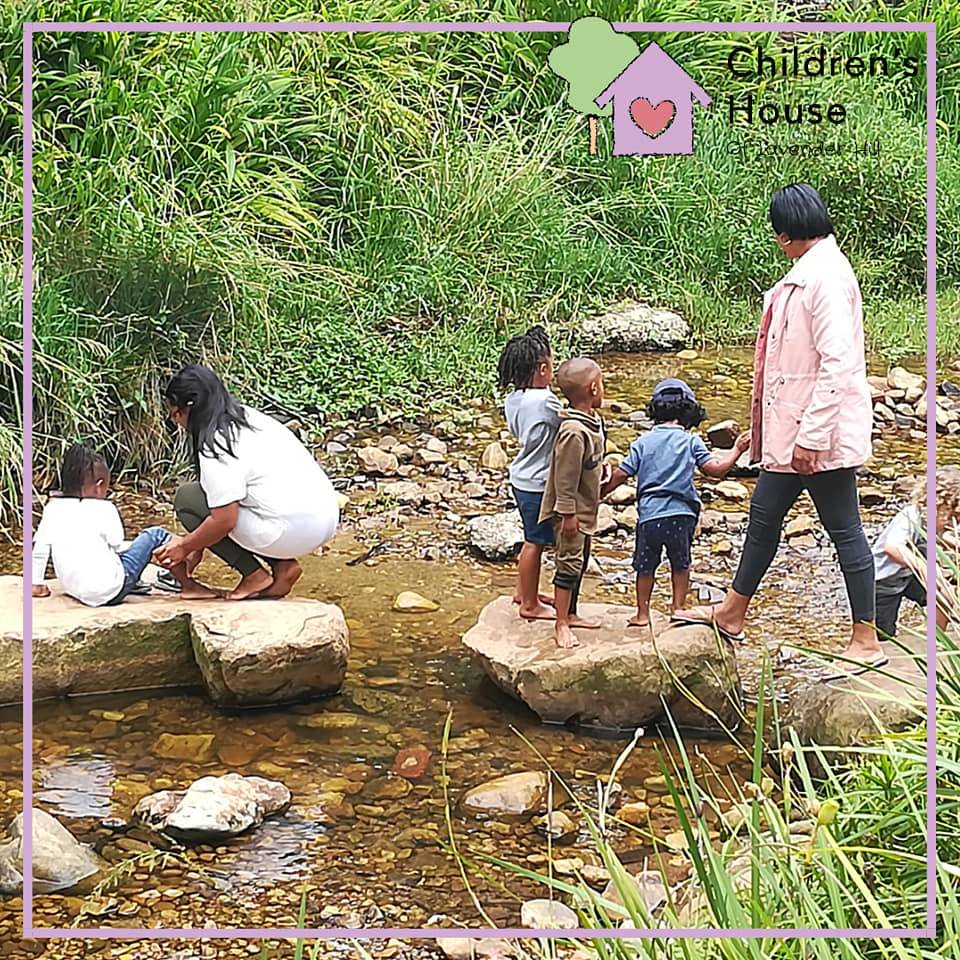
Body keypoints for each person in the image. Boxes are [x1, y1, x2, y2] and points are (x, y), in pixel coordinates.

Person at [673, 183, 880, 672]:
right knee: (764, 519)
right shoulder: (811, 272)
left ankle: (866, 639)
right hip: (793, 432)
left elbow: (838, 365)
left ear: (786, 234)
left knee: (845, 530)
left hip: (814, 436)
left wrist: (811, 436)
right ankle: (731, 611)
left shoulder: (825, 279)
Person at [153, 365, 339, 600]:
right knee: (214, 501)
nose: (177, 423)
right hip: (324, 519)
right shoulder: (247, 416)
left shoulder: (217, 444)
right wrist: (197, 544)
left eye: (174, 415)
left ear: (188, 408)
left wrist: (185, 546)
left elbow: (224, 520)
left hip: (290, 530)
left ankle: (254, 575)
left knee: (188, 500)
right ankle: (282, 567)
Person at [601, 379, 751, 629]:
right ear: (689, 411)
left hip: (649, 516)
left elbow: (619, 476)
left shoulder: (642, 443)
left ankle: (642, 613)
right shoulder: (692, 442)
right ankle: (678, 608)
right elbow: (715, 471)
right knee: (680, 563)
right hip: (681, 516)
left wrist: (595, 491)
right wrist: (736, 450)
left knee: (645, 566)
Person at [31, 443, 212, 606]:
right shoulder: (104, 508)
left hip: (74, 589)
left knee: (128, 549)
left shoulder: (53, 508)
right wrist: (147, 548)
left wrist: (36, 583)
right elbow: (118, 546)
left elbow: (40, 549)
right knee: (156, 535)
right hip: (110, 591)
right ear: (99, 485)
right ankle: (186, 585)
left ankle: (168, 573)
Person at [538, 357, 607, 649]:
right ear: (593, 389)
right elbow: (565, 478)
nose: (604, 390)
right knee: (567, 564)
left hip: (587, 510)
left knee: (581, 562)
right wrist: (567, 515)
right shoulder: (573, 432)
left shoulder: (592, 423)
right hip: (572, 513)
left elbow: (590, 461)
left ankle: (573, 612)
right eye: (602, 384)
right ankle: (561, 622)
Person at [498, 325, 562, 621]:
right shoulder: (545, 401)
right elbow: (567, 422)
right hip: (539, 480)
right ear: (542, 368)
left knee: (530, 537)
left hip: (522, 475)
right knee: (535, 541)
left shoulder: (514, 400)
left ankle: (524, 591)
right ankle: (529, 604)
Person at [873, 469, 958, 638]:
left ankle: (936, 639)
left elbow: (940, 536)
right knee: (883, 633)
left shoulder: (936, 521)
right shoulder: (910, 516)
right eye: (950, 517)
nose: (952, 522)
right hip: (883, 583)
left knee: (944, 595)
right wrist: (923, 567)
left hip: (910, 577)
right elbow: (892, 547)